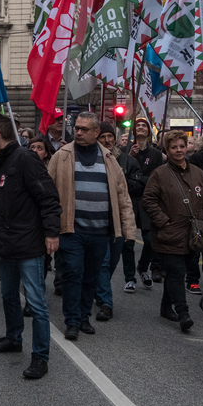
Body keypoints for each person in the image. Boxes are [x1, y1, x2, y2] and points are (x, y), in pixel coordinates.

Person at [0, 114, 62, 379]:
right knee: (9, 296)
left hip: (28, 245)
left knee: (37, 303)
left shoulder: (25, 159)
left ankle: (40, 357)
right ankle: (13, 338)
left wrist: (51, 233)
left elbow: (48, 196)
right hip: (5, 245)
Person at [48, 112, 135, 340]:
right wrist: (49, 227)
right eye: (77, 128)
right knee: (73, 274)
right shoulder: (62, 156)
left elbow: (122, 195)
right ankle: (72, 320)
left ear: (96, 132)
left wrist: (129, 229)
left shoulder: (109, 158)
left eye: (84, 129)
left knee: (91, 277)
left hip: (100, 231)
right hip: (72, 229)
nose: (78, 132)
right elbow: (47, 192)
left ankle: (85, 316)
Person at [142, 131, 203, 332]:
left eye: (181, 146)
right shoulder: (160, 174)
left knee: (177, 272)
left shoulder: (198, 173)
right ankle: (183, 313)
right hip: (168, 234)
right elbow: (148, 200)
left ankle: (166, 306)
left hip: (194, 235)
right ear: (167, 149)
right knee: (176, 272)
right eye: (173, 147)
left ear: (187, 147)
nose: (178, 150)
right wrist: (163, 221)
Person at [96, 121, 143, 320]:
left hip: (120, 218)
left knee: (113, 260)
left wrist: (122, 181)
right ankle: (106, 302)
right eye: (103, 137)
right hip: (99, 219)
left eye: (110, 137)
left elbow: (139, 185)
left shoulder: (127, 161)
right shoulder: (93, 159)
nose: (107, 140)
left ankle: (98, 288)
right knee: (103, 262)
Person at [123, 117, 163, 291]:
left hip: (147, 200)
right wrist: (129, 158)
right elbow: (122, 175)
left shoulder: (155, 154)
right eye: (137, 125)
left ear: (148, 131)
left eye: (143, 125)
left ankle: (143, 267)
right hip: (129, 198)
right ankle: (129, 277)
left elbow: (155, 178)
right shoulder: (125, 151)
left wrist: (138, 179)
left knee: (149, 239)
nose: (140, 127)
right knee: (128, 241)